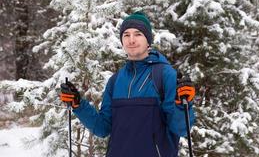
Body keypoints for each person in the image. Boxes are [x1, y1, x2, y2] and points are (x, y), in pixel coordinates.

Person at [60, 12, 195, 157]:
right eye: (126, 35)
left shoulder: (165, 75)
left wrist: (182, 105)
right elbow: (103, 128)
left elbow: (181, 129)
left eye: (138, 34)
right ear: (122, 41)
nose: (131, 40)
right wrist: (78, 105)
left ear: (148, 40)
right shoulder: (115, 81)